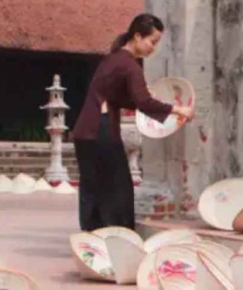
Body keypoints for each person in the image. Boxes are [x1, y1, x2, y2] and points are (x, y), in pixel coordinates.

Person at [72, 14, 195, 231]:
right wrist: (178, 109)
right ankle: (118, 239)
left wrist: (147, 100)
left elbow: (118, 99)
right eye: (152, 41)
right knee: (118, 190)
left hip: (86, 130)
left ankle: (91, 241)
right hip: (99, 130)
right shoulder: (129, 65)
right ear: (137, 36)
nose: (153, 48)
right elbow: (144, 102)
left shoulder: (113, 58)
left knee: (92, 188)